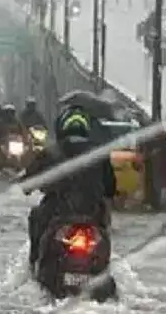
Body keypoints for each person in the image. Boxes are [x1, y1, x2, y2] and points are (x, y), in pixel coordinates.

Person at [22, 112, 117, 269]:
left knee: (36, 217)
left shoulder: (51, 151)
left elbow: (29, 181)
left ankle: (34, 263)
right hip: (93, 212)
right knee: (105, 228)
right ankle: (104, 265)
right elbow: (111, 187)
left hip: (58, 211)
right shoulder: (100, 153)